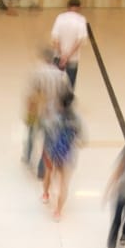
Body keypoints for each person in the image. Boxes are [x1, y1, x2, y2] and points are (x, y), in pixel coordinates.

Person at [42, 87, 83, 218]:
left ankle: (46, 194)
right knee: (64, 183)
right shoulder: (77, 119)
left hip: (52, 152)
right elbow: (82, 139)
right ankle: (58, 211)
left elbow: (47, 132)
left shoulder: (55, 117)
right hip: (68, 155)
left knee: (48, 173)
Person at [24, 51, 68, 168]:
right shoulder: (61, 75)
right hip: (53, 113)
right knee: (47, 140)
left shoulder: (38, 73)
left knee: (31, 134)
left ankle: (28, 157)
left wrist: (29, 112)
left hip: (38, 111)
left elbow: (32, 94)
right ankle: (42, 168)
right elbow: (65, 96)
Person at [51, 0, 88, 87]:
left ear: (68, 7)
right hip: (73, 58)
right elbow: (79, 41)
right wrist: (68, 56)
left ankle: (55, 99)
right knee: (70, 83)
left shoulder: (60, 18)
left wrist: (62, 55)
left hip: (58, 56)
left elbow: (55, 38)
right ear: (79, 7)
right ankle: (68, 99)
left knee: (56, 82)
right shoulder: (81, 20)